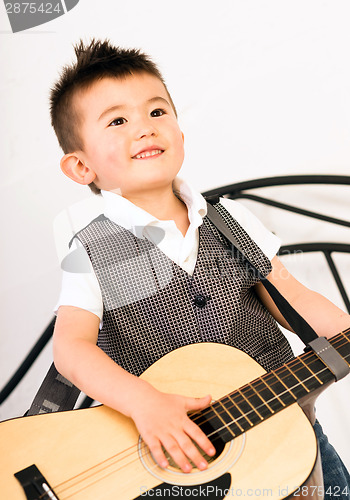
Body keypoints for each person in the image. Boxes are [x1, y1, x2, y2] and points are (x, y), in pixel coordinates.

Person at [51, 39, 350, 490]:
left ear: (180, 135)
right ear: (80, 167)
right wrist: (144, 403)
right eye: (118, 120)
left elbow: (296, 299)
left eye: (157, 113)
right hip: (177, 463)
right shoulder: (89, 251)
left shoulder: (230, 220)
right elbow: (72, 350)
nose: (145, 129)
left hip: (287, 429)